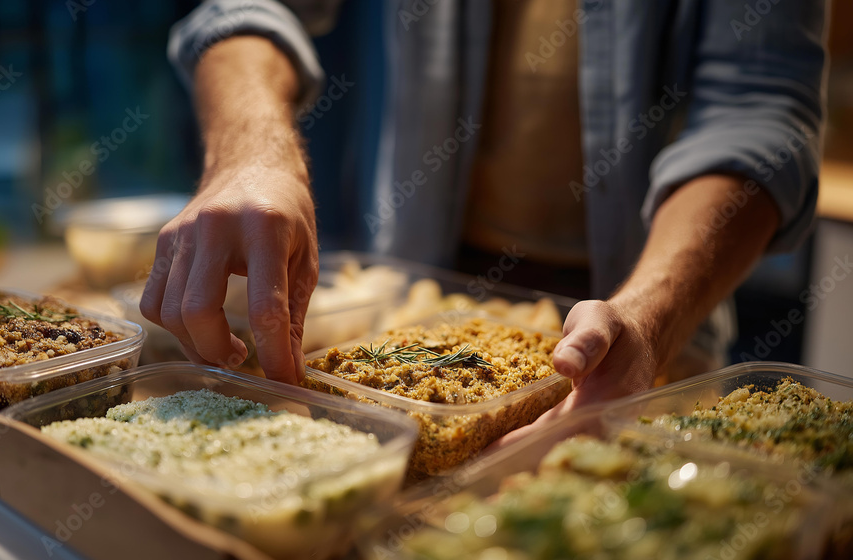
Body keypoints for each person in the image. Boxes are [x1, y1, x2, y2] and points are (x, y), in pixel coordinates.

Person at [141, 0, 828, 440]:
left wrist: (651, 321)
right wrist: (250, 151)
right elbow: (245, 10)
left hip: (656, 318)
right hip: (412, 306)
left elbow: (759, 110)